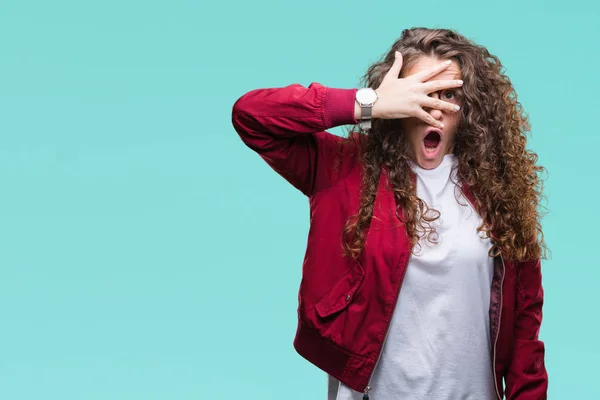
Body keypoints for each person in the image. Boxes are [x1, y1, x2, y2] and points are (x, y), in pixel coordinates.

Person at [231, 27, 548, 400]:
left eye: (448, 95)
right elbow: (252, 116)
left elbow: (525, 327)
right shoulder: (345, 169)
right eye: (421, 93)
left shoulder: (498, 191)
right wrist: (367, 103)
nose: (435, 110)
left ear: (469, 108)